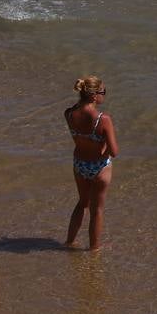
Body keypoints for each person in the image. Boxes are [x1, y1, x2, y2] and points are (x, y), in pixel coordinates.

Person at [64, 76, 119, 251]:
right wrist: (105, 151)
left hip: (80, 164)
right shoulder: (103, 119)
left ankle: (69, 241)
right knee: (97, 210)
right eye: (103, 92)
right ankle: (94, 248)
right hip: (99, 167)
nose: (104, 96)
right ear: (95, 96)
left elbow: (78, 137)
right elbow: (115, 151)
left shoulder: (69, 113)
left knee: (82, 203)